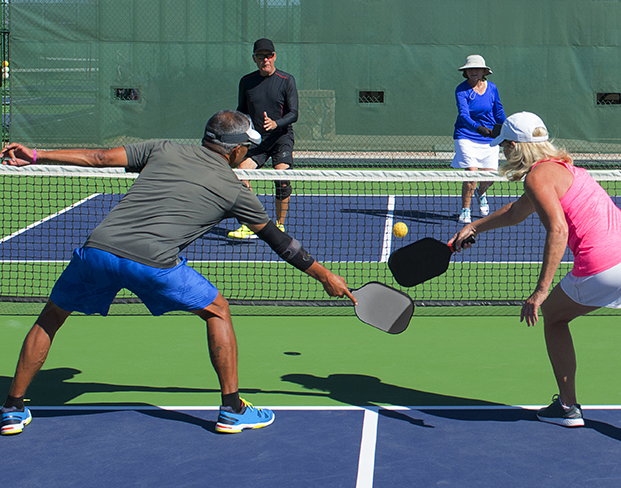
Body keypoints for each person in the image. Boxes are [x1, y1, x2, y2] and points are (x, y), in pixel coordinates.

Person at [0, 110, 356, 436]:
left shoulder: (163, 148)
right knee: (217, 309)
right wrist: (325, 276)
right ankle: (232, 408)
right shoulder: (236, 191)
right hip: (153, 262)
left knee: (52, 315)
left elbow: (98, 159)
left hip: (98, 250)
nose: (247, 154)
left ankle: (13, 408)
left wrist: (34, 156)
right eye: (246, 147)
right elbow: (282, 243)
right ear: (233, 150)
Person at [449, 111, 621, 456]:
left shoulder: (537, 178)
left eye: (505, 147)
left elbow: (558, 230)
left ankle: (568, 407)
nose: (504, 154)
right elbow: (515, 212)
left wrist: (540, 291)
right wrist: (476, 226)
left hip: (605, 264)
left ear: (514, 146)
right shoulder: (568, 170)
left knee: (553, 316)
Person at [228, 38, 298, 240]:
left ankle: (279, 225)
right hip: (257, 142)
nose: (265, 59)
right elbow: (241, 111)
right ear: (255, 59)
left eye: (268, 56)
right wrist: (241, 131)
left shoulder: (286, 80)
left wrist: (277, 123)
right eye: (261, 56)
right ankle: (251, 224)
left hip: (281, 139)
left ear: (274, 57)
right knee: (241, 176)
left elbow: (294, 113)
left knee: (282, 179)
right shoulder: (246, 82)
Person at [451, 55, 506, 224]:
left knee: (489, 177)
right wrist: (479, 129)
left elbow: (498, 111)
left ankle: (481, 193)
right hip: (466, 135)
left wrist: (505, 129)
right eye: (470, 69)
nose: (474, 72)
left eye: (477, 69)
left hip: (489, 137)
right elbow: (464, 115)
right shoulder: (461, 90)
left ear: (483, 72)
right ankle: (465, 210)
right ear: (465, 72)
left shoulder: (492, 88)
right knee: (472, 174)